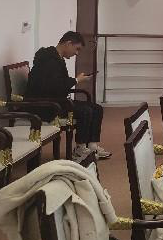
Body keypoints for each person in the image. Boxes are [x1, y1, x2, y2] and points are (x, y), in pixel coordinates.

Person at [25, 31, 110, 159]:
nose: (77, 53)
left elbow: (58, 84)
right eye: (77, 49)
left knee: (97, 108)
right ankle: (80, 149)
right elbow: (54, 86)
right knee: (85, 111)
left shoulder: (57, 58)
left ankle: (91, 146)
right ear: (68, 43)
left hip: (56, 100)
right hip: (45, 105)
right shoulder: (48, 60)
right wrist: (76, 80)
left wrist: (75, 80)